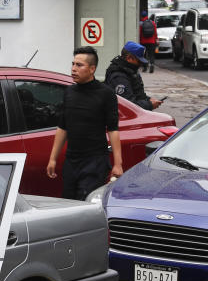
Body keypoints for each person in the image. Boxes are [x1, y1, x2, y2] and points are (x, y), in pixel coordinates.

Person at [46, 46, 123, 200]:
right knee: (68, 205)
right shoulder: (69, 92)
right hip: (71, 162)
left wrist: (118, 163)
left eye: (79, 65)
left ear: (92, 69)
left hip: (95, 162)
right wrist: (52, 158)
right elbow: (62, 127)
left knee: (86, 205)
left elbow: (113, 130)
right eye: (73, 64)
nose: (73, 69)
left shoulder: (106, 94)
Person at [104, 41, 163, 110]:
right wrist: (149, 105)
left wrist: (149, 99)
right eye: (138, 61)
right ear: (129, 58)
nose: (140, 64)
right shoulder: (119, 77)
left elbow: (138, 94)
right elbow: (128, 106)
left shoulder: (130, 70)